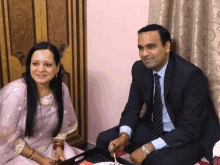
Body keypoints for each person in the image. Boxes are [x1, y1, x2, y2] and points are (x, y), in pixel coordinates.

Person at [96, 24, 220, 165]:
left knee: (154, 161)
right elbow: (132, 108)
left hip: (184, 136)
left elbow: (191, 128)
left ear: (166, 47)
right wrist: (124, 136)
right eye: (141, 48)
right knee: (104, 140)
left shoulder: (190, 75)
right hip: (154, 127)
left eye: (151, 47)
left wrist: (148, 147)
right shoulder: (139, 69)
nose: (144, 54)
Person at [0, 42, 82, 165]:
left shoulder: (61, 89)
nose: (41, 69)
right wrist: (39, 159)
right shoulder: (17, 93)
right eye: (35, 64)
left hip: (49, 146)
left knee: (74, 161)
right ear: (29, 66)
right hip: (17, 152)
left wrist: (58, 150)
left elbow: (61, 126)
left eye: (48, 64)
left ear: (57, 67)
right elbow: (8, 137)